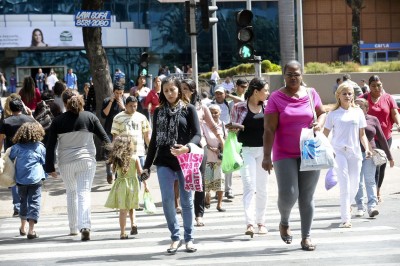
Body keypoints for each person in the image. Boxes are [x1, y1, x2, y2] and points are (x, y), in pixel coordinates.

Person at [262, 60, 326, 251]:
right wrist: (266, 156)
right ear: (284, 75)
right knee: (289, 193)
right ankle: (284, 221)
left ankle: (306, 237)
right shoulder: (275, 97)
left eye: (296, 74)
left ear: (302, 75)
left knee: (307, 196)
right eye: (289, 74)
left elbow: (322, 113)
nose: (293, 77)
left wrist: (320, 123)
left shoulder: (311, 93)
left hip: (309, 150)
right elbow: (269, 129)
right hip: (284, 153)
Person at [142, 76, 201, 253]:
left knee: (187, 201)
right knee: (168, 200)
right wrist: (146, 166)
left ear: (179, 90)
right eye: (165, 91)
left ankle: (189, 238)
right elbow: (153, 141)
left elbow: (198, 135)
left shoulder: (189, 109)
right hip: (164, 161)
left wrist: (187, 148)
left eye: (172, 90)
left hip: (185, 160)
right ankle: (175, 237)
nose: (169, 93)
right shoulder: (158, 111)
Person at [45, 89, 110, 240]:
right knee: (84, 192)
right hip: (86, 161)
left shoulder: (58, 121)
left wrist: (49, 167)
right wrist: (113, 157)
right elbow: (105, 139)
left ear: (65, 102)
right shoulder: (90, 117)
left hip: (66, 162)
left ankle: (73, 227)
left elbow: (50, 145)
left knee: (71, 193)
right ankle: (85, 225)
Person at [324, 82, 372, 229]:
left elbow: (362, 134)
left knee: (355, 184)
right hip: (339, 152)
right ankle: (346, 218)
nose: (347, 96)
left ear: (353, 96)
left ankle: (348, 206)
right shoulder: (332, 114)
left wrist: (367, 148)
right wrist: (327, 150)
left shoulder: (358, 112)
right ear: (338, 95)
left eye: (350, 93)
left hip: (355, 152)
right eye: (344, 93)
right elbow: (325, 135)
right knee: (344, 184)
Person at [181, 79, 224, 227]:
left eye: (186, 89)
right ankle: (185, 209)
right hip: (182, 147)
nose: (183, 91)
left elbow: (212, 125)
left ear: (193, 91)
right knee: (184, 180)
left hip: (200, 146)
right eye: (181, 88)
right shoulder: (176, 107)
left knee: (199, 179)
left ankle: (199, 214)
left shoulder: (201, 107)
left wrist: (221, 140)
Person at [231, 78, 270, 238]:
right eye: (265, 90)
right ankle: (250, 223)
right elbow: (232, 130)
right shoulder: (239, 107)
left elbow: (274, 129)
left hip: (264, 151)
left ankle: (261, 222)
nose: (268, 93)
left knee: (262, 188)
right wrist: (233, 128)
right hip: (245, 150)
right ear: (256, 91)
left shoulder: (268, 107)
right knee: (249, 186)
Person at [360, 75, 400, 202]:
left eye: (379, 85)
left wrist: (398, 123)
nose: (377, 88)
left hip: (386, 136)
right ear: (369, 86)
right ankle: (371, 192)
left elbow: (394, 112)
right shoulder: (364, 98)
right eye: (373, 86)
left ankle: (377, 190)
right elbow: (353, 107)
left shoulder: (388, 98)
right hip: (370, 138)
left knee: (382, 165)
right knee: (374, 165)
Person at [354, 98, 394, 218]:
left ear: (367, 108)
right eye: (356, 106)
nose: (358, 108)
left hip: (369, 154)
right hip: (354, 155)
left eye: (361, 106)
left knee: (370, 180)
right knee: (358, 182)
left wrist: (390, 156)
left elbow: (382, 138)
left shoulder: (373, 119)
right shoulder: (350, 120)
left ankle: (372, 207)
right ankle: (360, 207)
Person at [104, 134, 146, 239]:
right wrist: (146, 184)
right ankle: (134, 224)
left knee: (123, 210)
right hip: (133, 185)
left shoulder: (117, 159)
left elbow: (113, 172)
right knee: (132, 206)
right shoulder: (135, 157)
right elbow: (141, 173)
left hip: (121, 185)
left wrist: (112, 177)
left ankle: (122, 232)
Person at [0, 97, 36, 218]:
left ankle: (17, 206)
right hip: (28, 152)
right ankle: (27, 204)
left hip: (12, 153)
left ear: (10, 108)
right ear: (22, 108)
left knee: (13, 179)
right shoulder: (29, 119)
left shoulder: (5, 121)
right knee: (27, 178)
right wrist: (31, 114)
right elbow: (39, 131)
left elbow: (1, 139)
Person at [10, 122, 46, 239]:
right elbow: (44, 162)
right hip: (36, 179)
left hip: (21, 180)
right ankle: (31, 230)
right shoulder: (40, 147)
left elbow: (9, 159)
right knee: (34, 203)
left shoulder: (16, 148)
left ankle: (22, 227)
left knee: (23, 202)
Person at [210, 86, 234, 199]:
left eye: (221, 93)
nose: (218, 95)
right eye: (217, 93)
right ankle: (218, 190)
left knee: (228, 165)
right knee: (216, 165)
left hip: (227, 137)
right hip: (214, 138)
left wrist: (229, 96)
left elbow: (242, 101)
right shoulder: (210, 105)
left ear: (224, 94)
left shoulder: (229, 104)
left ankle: (228, 190)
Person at [202, 104, 226, 213]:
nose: (213, 114)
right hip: (207, 157)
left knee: (220, 181)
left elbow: (226, 139)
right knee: (207, 181)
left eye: (216, 112)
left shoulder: (223, 125)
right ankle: (207, 196)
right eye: (211, 112)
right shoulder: (203, 125)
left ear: (220, 113)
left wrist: (219, 148)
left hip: (219, 158)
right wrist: (210, 148)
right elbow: (201, 138)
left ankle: (219, 204)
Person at [101, 84, 126, 184]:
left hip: (121, 131)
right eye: (116, 93)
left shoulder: (125, 100)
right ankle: (109, 172)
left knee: (119, 153)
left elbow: (128, 114)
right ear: (113, 92)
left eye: (120, 93)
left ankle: (116, 174)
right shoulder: (107, 100)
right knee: (109, 153)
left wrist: (123, 107)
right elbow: (104, 114)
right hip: (109, 130)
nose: (118, 95)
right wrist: (111, 101)